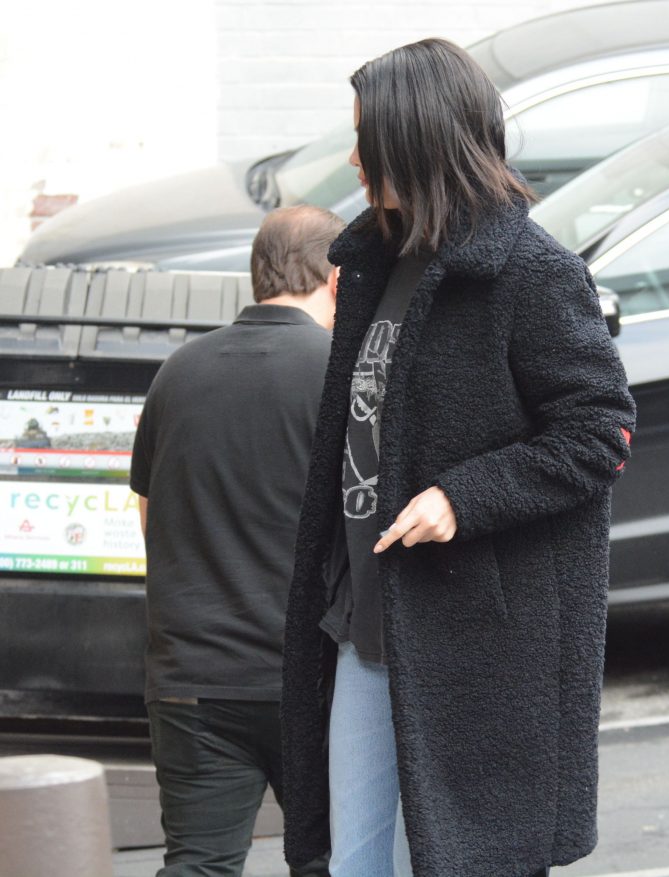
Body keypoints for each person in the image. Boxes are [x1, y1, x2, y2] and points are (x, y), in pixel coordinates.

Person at [279, 39, 636, 877]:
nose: (356, 159)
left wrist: (461, 497)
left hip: (475, 643)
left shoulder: (530, 273)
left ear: (414, 138)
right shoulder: (373, 263)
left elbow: (599, 430)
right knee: (351, 865)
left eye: (366, 137)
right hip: (364, 622)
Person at [130, 205, 342, 877]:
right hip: (311, 679)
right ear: (336, 278)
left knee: (197, 864)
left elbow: (149, 516)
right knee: (332, 860)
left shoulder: (178, 371)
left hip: (191, 679)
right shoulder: (338, 373)